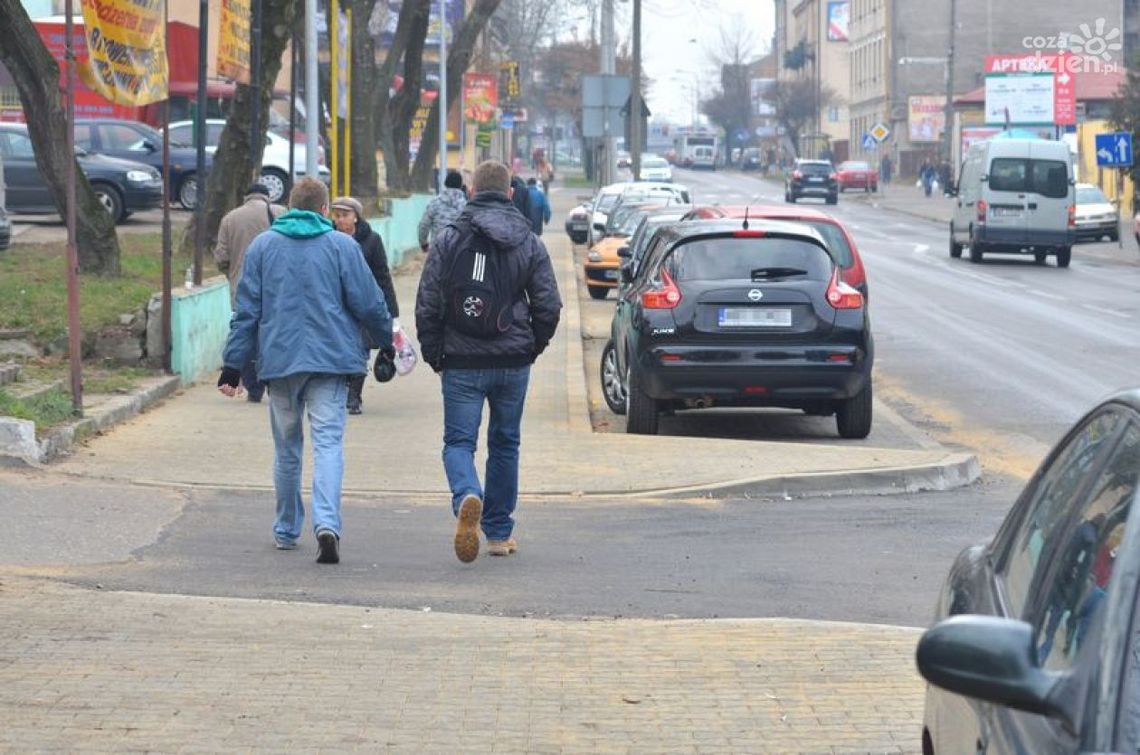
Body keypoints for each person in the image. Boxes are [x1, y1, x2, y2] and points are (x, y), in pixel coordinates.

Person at [218, 177, 392, 565]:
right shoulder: (343, 246)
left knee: (287, 447)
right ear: (325, 210)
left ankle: (285, 529)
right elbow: (369, 301)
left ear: (290, 207)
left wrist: (233, 365)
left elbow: (247, 311)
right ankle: (327, 524)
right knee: (328, 443)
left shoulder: (264, 247)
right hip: (330, 362)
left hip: (279, 362)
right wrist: (385, 340)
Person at [415, 160, 562, 563]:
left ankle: (466, 494)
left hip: (461, 359)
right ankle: (498, 533)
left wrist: (434, 353)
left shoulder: (449, 238)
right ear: (511, 193)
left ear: (471, 191)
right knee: (505, 442)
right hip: (513, 359)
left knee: (459, 442)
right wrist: (532, 346)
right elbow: (548, 304)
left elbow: (427, 301)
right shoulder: (529, 241)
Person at [213, 183, 285, 402]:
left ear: (246, 196)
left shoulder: (230, 218)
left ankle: (253, 386)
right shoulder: (281, 214)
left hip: (241, 286)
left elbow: (221, 258)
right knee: (273, 333)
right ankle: (274, 380)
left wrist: (232, 272)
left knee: (244, 331)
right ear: (267, 196)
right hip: (277, 287)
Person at [330, 196, 400, 415]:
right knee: (338, 349)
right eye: (337, 215)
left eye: (345, 215)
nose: (340, 220)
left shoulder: (371, 240)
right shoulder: (328, 239)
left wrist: (392, 311)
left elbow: (382, 276)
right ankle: (340, 391)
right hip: (336, 305)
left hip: (363, 305)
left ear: (356, 217)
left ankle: (354, 396)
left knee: (359, 350)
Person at [417, 170, 467, 254]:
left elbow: (424, 225)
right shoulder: (466, 206)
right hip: (459, 254)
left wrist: (423, 244)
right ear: (460, 185)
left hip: (437, 251)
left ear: (445, 183)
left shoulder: (435, 202)